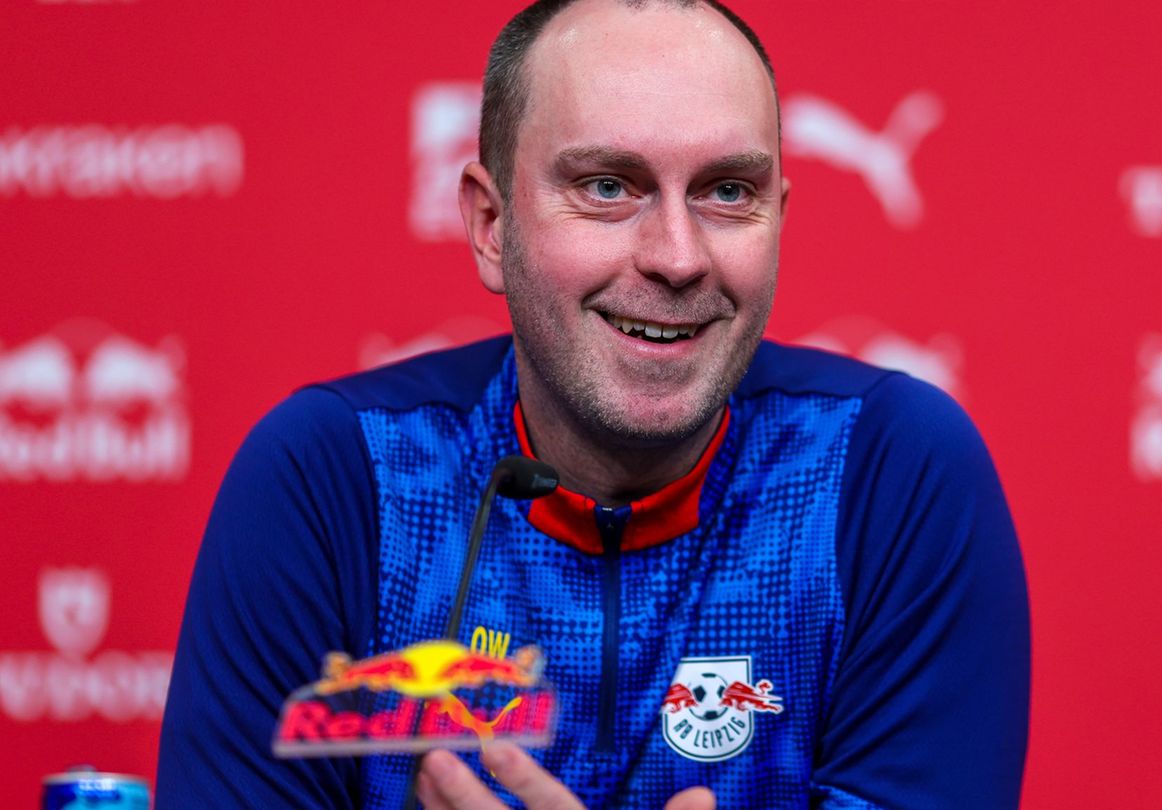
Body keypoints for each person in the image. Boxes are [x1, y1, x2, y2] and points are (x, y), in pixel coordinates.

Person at [157, 0, 1031, 807]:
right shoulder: (338, 478)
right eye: (608, 187)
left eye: (728, 192)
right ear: (491, 225)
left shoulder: (886, 471)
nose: (678, 257)